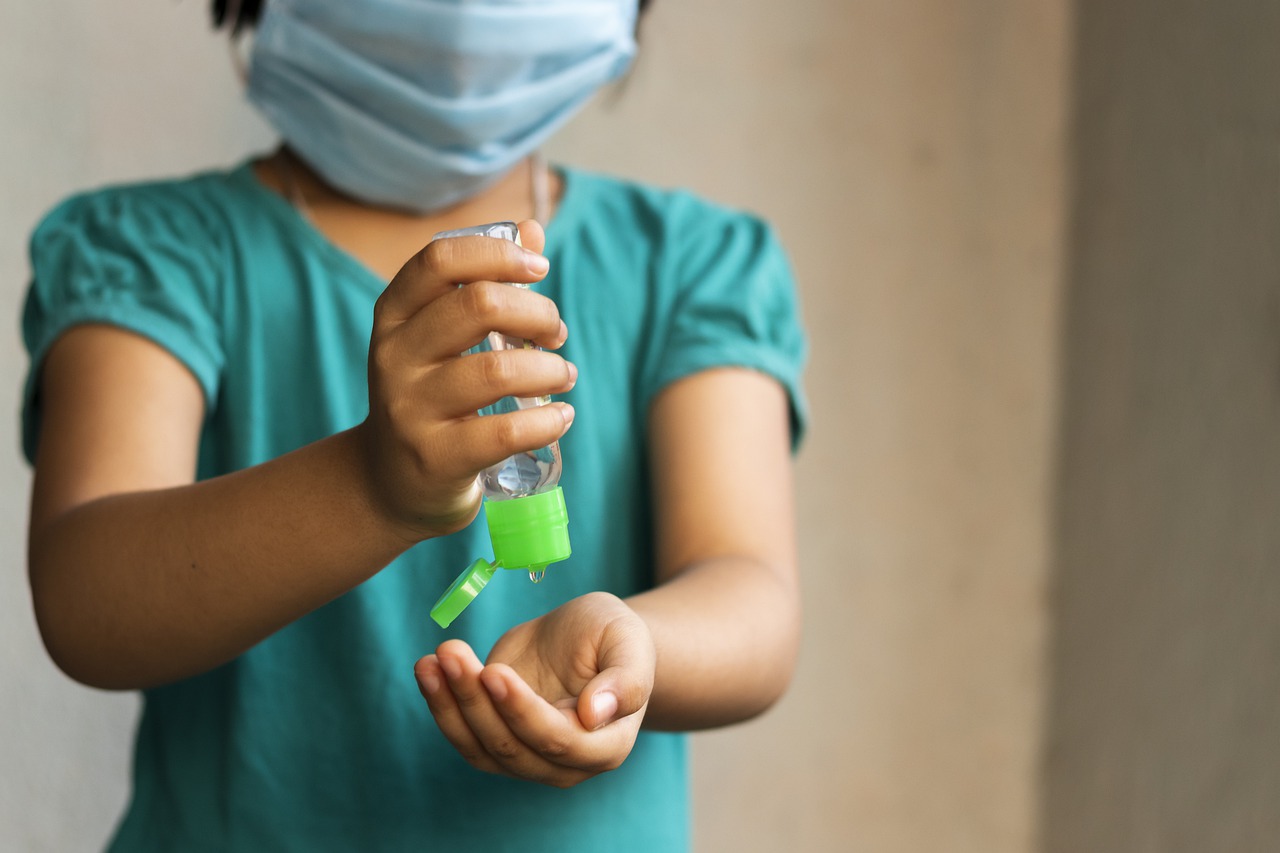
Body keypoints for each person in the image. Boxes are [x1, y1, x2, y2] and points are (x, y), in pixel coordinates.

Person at [21, 0, 808, 849]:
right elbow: (86, 601)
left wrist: (637, 647)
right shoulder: (152, 254)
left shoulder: (690, 265)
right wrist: (370, 488)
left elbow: (753, 599)